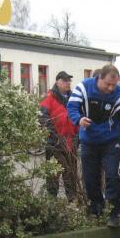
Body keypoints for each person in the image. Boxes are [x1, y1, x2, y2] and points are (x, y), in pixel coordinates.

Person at [67, 64, 120, 227]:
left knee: (112, 175)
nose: (111, 88)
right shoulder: (84, 87)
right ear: (99, 78)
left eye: (114, 85)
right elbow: (71, 107)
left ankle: (113, 213)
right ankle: (96, 209)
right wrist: (79, 119)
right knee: (90, 178)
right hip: (89, 140)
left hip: (111, 141)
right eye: (108, 84)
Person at [39, 70, 79, 201]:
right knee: (53, 176)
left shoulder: (74, 99)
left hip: (70, 144)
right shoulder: (49, 98)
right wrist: (55, 138)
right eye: (65, 80)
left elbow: (79, 120)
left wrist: (77, 138)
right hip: (54, 145)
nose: (68, 83)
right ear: (57, 82)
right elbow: (43, 119)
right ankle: (52, 203)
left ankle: (72, 203)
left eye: (69, 80)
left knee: (71, 176)